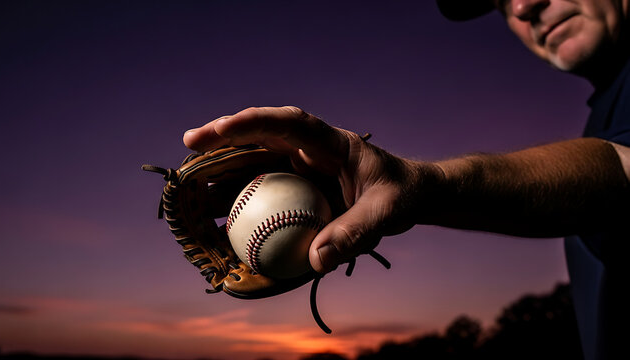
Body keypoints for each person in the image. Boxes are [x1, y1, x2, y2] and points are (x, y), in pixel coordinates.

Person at [183, 1, 630, 359]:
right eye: (499, 2)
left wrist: (425, 186)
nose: (521, 8)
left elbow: (624, 170)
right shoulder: (608, 110)